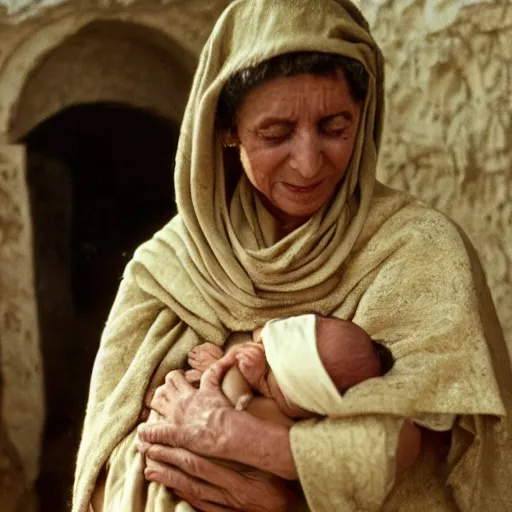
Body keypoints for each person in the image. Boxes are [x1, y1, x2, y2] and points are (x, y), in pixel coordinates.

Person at [73, 1, 512, 511]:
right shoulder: (165, 273)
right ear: (226, 129)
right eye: (275, 134)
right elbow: (102, 478)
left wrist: (275, 486)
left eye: (334, 127)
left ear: (364, 116)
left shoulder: (419, 252)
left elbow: (428, 463)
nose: (307, 164)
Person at [185, 315, 395, 425]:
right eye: (265, 344)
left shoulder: (277, 415)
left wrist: (222, 365)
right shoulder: (266, 342)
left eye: (268, 371)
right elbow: (252, 335)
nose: (256, 354)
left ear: (304, 407)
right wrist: (251, 347)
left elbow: (234, 408)